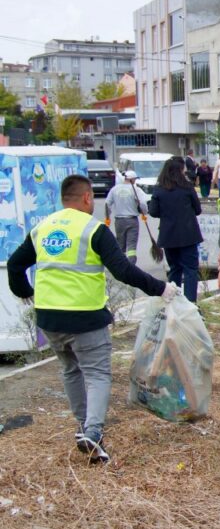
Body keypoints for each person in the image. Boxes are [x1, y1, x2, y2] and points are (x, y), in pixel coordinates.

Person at [6, 174, 175, 463]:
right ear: (87, 198)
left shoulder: (42, 228)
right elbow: (123, 270)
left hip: (49, 318)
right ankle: (93, 432)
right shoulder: (93, 229)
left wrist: (26, 292)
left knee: (71, 370)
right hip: (85, 317)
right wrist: (161, 288)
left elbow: (15, 263)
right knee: (97, 374)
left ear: (62, 199)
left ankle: (84, 428)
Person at [147, 157, 203, 303]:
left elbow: (153, 211)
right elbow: (197, 209)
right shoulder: (187, 187)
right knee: (191, 270)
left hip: (169, 236)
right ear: (180, 170)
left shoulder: (159, 189)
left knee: (175, 269)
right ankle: (190, 304)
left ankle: (174, 302)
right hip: (188, 235)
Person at [104, 169, 146, 264]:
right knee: (131, 245)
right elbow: (143, 204)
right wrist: (144, 212)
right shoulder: (135, 189)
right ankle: (131, 265)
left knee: (120, 243)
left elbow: (107, 203)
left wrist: (107, 217)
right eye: (135, 179)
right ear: (132, 179)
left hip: (119, 221)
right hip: (132, 220)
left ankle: (120, 264)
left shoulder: (115, 189)